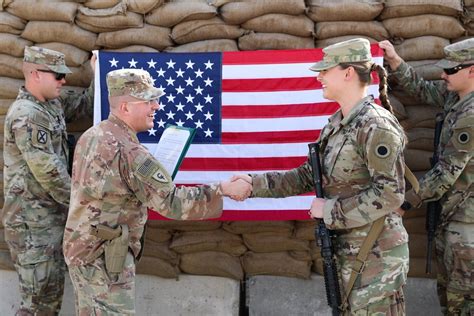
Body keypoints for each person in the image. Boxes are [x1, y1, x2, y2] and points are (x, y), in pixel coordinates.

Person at [231, 38, 409, 314]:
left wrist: (330, 210)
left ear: (348, 72)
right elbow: (306, 176)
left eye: (326, 70)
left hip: (376, 257)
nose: (320, 77)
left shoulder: (376, 124)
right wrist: (253, 184)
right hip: (349, 252)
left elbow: (390, 193)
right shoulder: (337, 124)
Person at [62, 68, 250, 315]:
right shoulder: (129, 151)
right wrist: (222, 190)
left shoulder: (94, 135)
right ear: (126, 107)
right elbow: (172, 203)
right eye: (148, 100)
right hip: (103, 258)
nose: (157, 106)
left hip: (83, 249)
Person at [380, 38, 474, 316]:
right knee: (449, 295)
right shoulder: (456, 99)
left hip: (467, 224)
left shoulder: (470, 115)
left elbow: (447, 172)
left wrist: (406, 202)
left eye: (451, 69)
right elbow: (422, 90)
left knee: (464, 301)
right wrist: (395, 62)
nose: (443, 74)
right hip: (453, 215)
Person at [2, 46, 95, 315]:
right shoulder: (27, 115)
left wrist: (96, 72)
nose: (63, 80)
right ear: (34, 74)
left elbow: (84, 106)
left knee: (49, 301)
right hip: (32, 225)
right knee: (37, 305)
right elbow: (49, 171)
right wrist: (83, 206)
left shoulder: (50, 104)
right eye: (57, 75)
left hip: (50, 221)